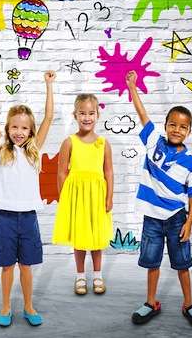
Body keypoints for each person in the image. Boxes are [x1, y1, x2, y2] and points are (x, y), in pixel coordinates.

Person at [126, 70, 192, 326]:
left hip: (176, 219)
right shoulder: (154, 142)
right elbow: (141, 114)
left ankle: (189, 304)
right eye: (172, 124)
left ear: (189, 130)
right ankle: (151, 303)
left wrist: (189, 222)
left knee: (182, 264)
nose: (177, 129)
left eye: (183, 126)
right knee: (152, 263)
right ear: (165, 126)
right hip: (152, 219)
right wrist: (132, 86)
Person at [0, 60, 56, 327]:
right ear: (8, 129)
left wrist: (48, 85)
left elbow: (48, 118)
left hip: (29, 218)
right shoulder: (2, 148)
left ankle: (28, 305)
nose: (19, 132)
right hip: (6, 217)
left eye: (24, 128)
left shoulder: (34, 149)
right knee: (7, 266)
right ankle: (5, 306)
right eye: (14, 127)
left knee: (27, 266)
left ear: (30, 130)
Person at [52, 94, 114, 295]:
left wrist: (109, 196)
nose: (87, 117)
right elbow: (61, 173)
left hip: (96, 196)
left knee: (96, 238)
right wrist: (65, 199)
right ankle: (80, 275)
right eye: (82, 113)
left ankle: (97, 275)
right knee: (80, 238)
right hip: (77, 197)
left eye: (91, 113)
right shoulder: (69, 142)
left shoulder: (104, 144)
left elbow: (109, 171)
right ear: (75, 115)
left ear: (98, 115)